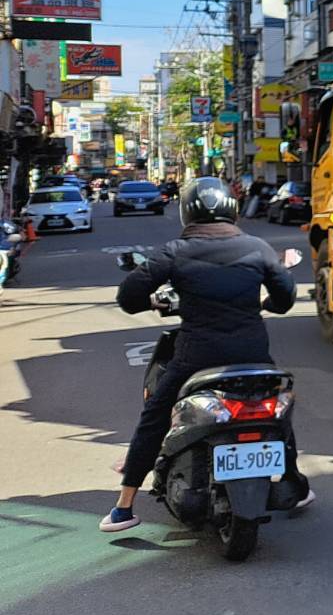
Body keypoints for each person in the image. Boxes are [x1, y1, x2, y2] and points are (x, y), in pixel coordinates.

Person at [100, 177, 311, 532]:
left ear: (187, 212)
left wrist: (150, 301)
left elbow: (128, 297)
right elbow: (285, 298)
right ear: (232, 208)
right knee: (278, 409)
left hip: (196, 358)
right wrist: (265, 303)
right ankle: (294, 479)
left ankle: (124, 505)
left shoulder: (175, 251)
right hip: (253, 354)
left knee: (155, 416)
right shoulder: (258, 248)